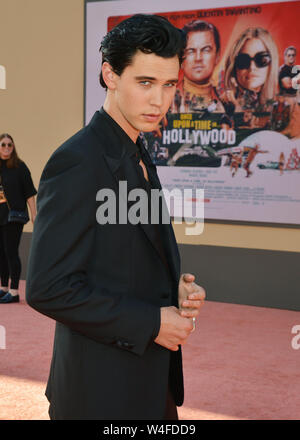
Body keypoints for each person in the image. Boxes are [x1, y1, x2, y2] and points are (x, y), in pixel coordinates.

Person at [26, 14, 206, 420]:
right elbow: (47, 287)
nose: (159, 101)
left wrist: (169, 288)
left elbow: (113, 256)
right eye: (145, 83)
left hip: (149, 384)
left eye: (168, 85)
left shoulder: (138, 150)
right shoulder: (78, 161)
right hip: (100, 393)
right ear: (110, 74)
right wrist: (151, 322)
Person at [0, 134, 37, 304]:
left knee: (11, 253)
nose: (7, 147)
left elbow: (30, 193)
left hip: (13, 216)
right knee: (1, 254)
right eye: (3, 144)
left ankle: (14, 291)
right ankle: (4, 288)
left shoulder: (20, 167)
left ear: (13, 147)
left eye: (10, 145)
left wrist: (34, 213)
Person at [224, 27, 279, 112]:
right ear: (234, 67)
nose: (251, 67)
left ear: (271, 64)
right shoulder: (221, 106)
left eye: (261, 60)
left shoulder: (285, 107)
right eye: (243, 60)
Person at [176, 20, 224, 112]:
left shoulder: (225, 101)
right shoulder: (168, 99)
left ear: (217, 55)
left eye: (206, 50)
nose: (198, 58)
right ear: (181, 59)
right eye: (190, 51)